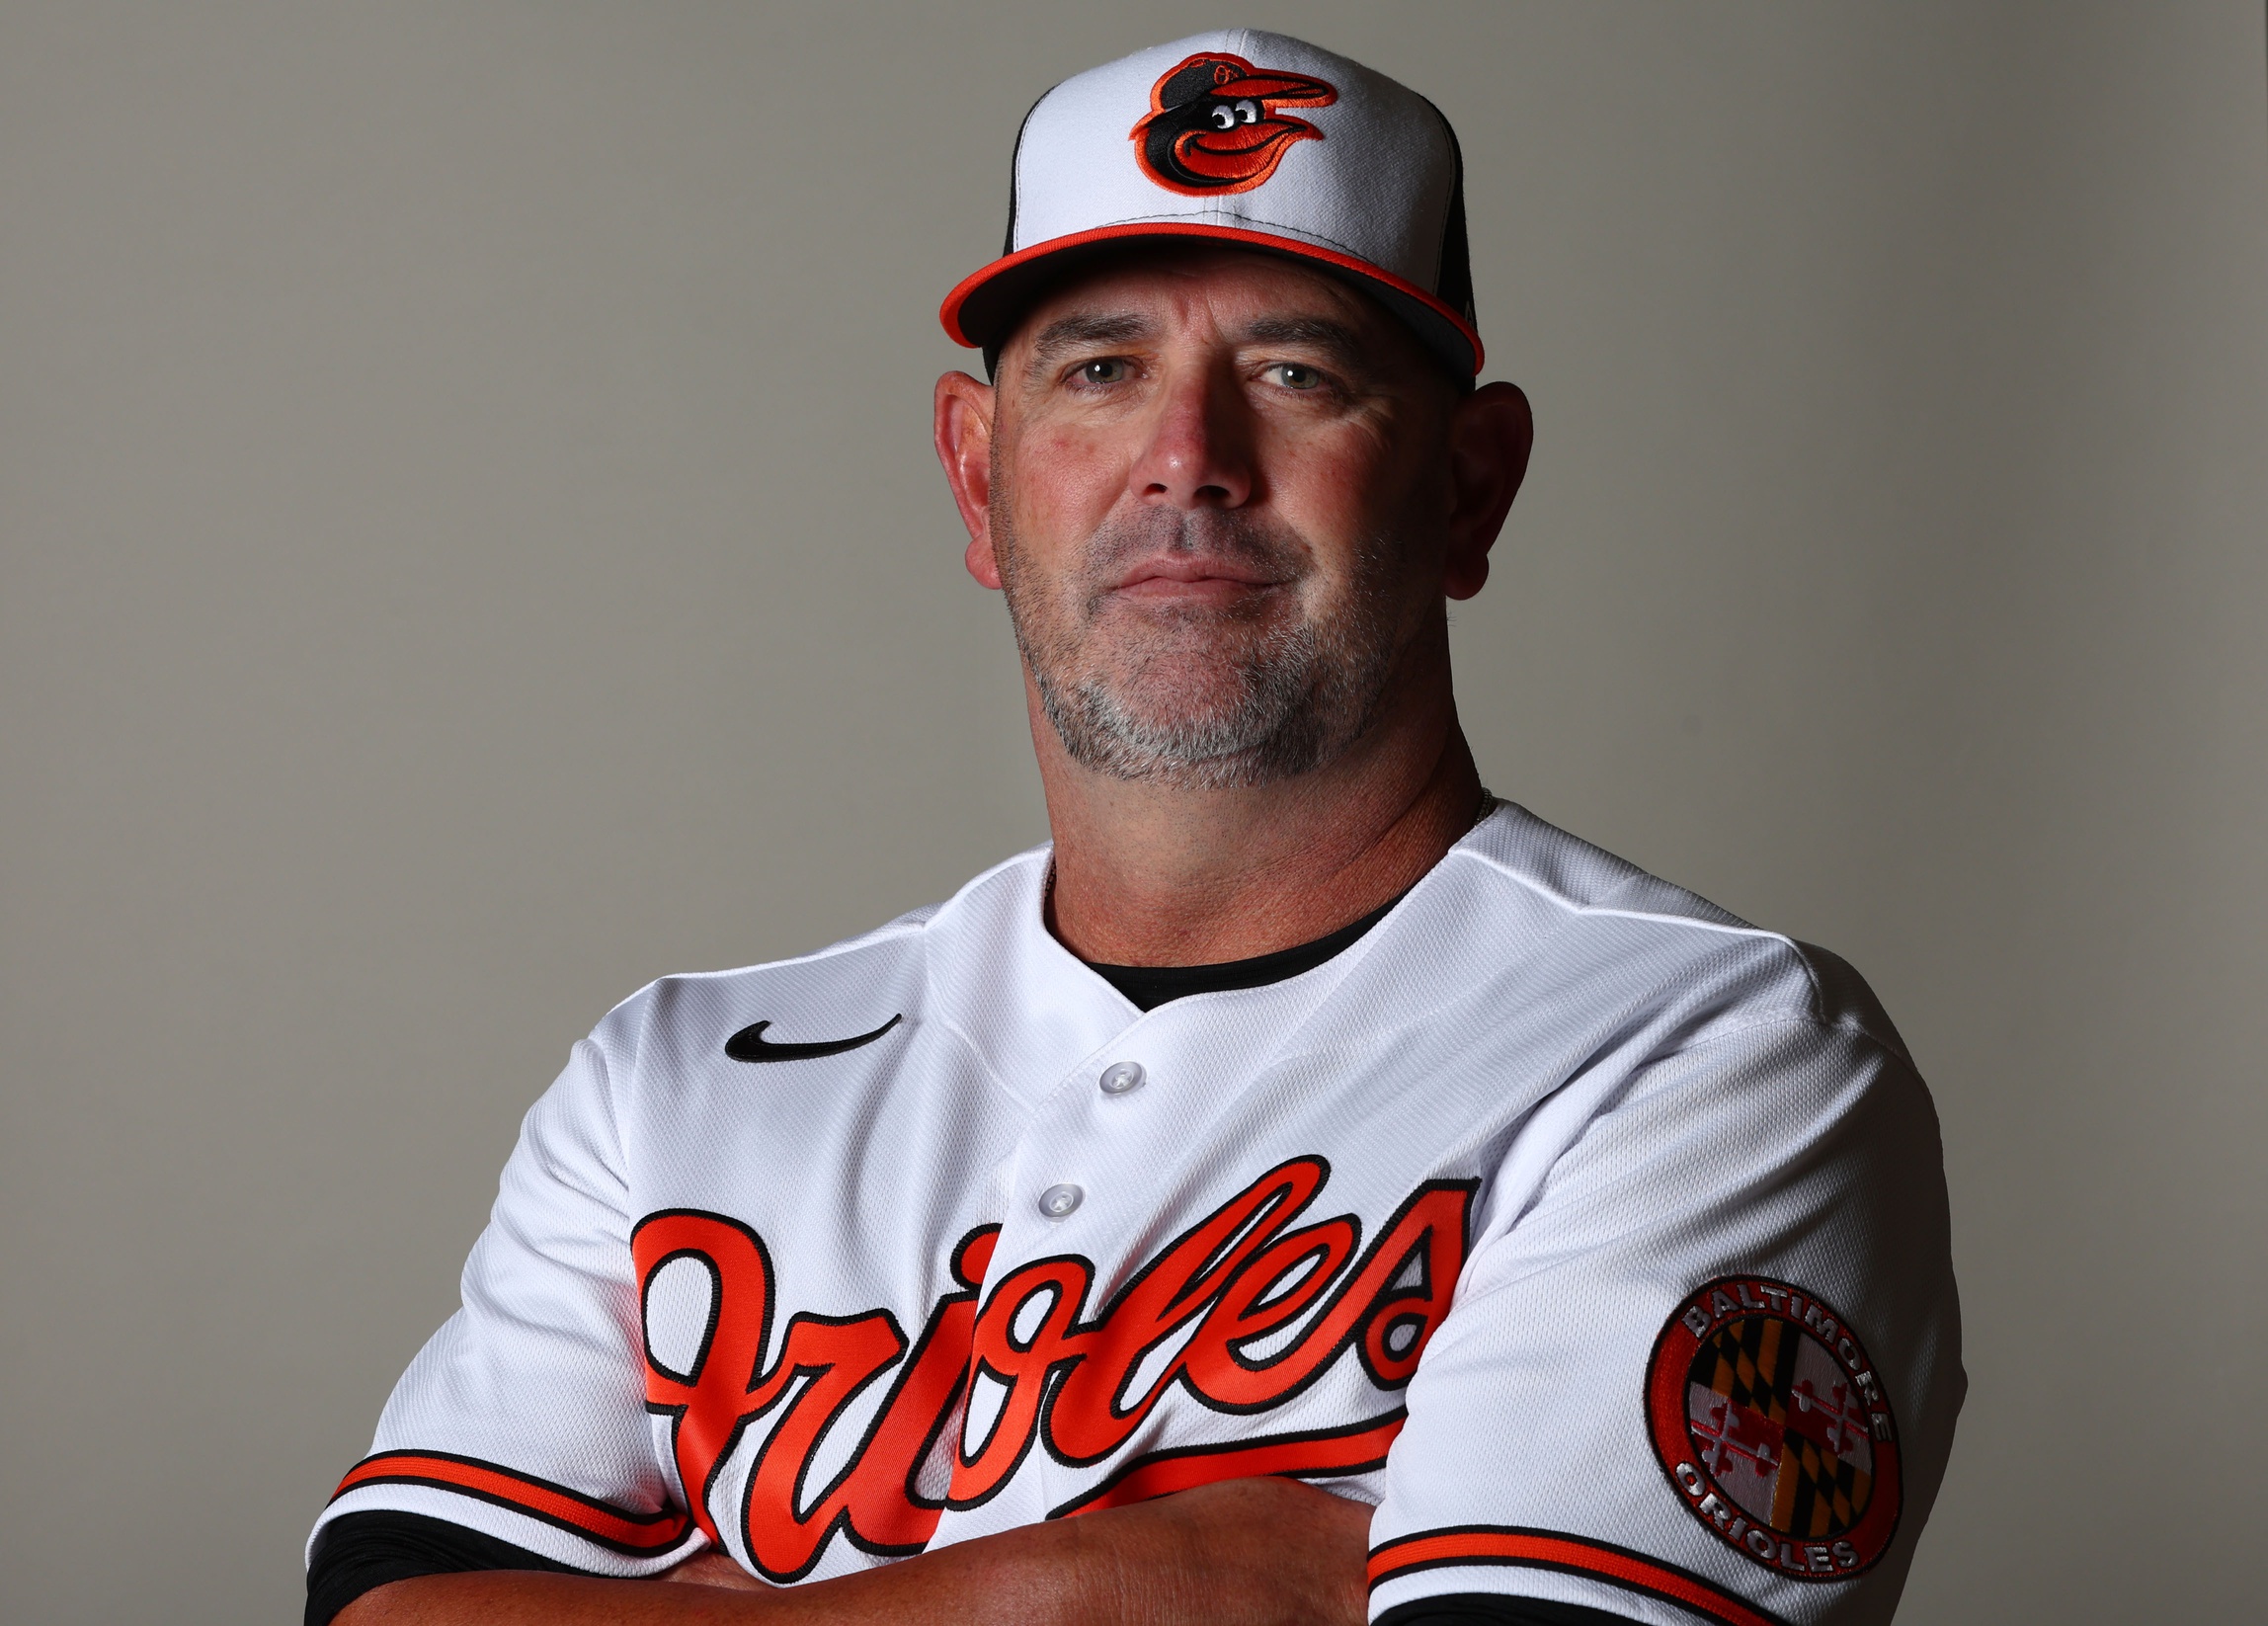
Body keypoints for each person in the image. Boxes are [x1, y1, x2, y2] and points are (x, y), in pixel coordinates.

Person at [308, 30, 1962, 1626]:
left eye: (1297, 373)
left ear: (1471, 485)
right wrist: (1101, 1589)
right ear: (978, 477)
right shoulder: (669, 1085)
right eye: (1101, 371)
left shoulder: (1706, 1058)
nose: (1187, 460)